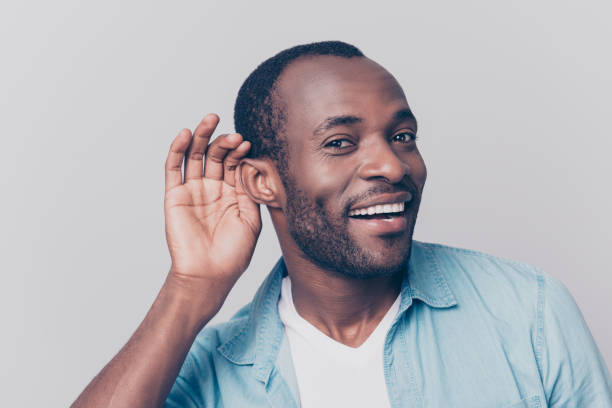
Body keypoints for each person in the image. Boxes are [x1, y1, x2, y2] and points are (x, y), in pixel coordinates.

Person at [72, 41, 612, 408]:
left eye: (402, 135)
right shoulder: (207, 372)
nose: (393, 166)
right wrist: (190, 289)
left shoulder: (529, 314)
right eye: (340, 143)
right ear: (264, 182)